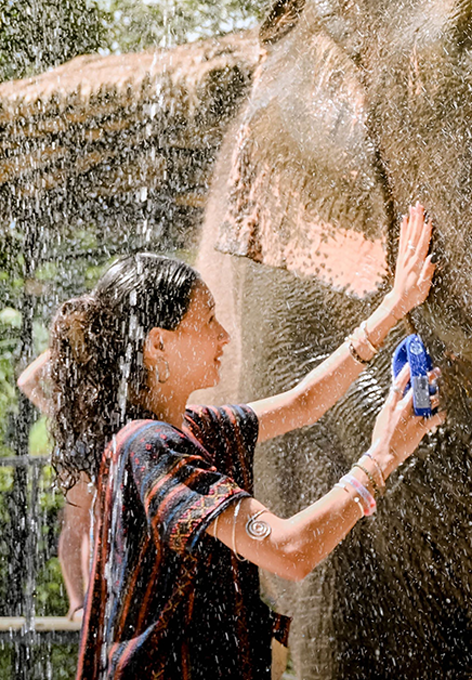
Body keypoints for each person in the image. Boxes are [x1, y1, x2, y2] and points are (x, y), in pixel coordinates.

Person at [49, 204, 443, 680]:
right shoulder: (148, 447)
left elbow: (303, 403)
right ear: (158, 344)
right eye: (208, 319)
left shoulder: (192, 429)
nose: (225, 336)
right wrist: (380, 457)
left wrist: (395, 305)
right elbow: (289, 550)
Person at [17, 348, 93, 622]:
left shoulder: (69, 347)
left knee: (83, 524)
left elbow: (27, 382)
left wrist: (56, 413)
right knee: (82, 525)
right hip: (81, 442)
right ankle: (81, 603)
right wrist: (54, 411)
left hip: (79, 440)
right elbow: (25, 381)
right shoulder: (65, 348)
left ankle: (83, 603)